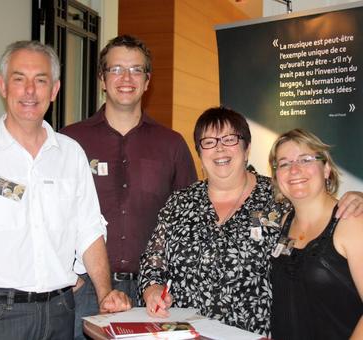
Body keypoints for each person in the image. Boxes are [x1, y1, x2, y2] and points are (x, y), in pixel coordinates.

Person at [138, 106, 363, 336]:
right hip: (185, 332)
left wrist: (357, 198)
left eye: (229, 139)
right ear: (199, 153)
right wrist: (152, 289)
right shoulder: (179, 202)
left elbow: (319, 207)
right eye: (209, 142)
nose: (220, 148)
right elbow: (152, 262)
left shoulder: (278, 198)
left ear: (247, 149)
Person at [0, 40, 130, 340]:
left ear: (54, 90)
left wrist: (105, 293)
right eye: (19, 79)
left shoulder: (71, 154)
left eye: (40, 81)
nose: (30, 91)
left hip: (59, 313)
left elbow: (89, 230)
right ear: (3, 86)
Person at [60, 35, 197, 339]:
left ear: (147, 82)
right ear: (102, 79)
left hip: (152, 294)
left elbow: (190, 221)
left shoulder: (171, 144)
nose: (126, 78)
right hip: (84, 290)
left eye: (136, 70)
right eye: (116, 69)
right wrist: (69, 275)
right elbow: (48, 213)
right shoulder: (70, 142)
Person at [268, 128, 363, 340]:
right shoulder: (285, 222)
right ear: (276, 176)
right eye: (284, 163)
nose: (294, 170)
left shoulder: (351, 222)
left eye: (305, 159)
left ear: (326, 168)